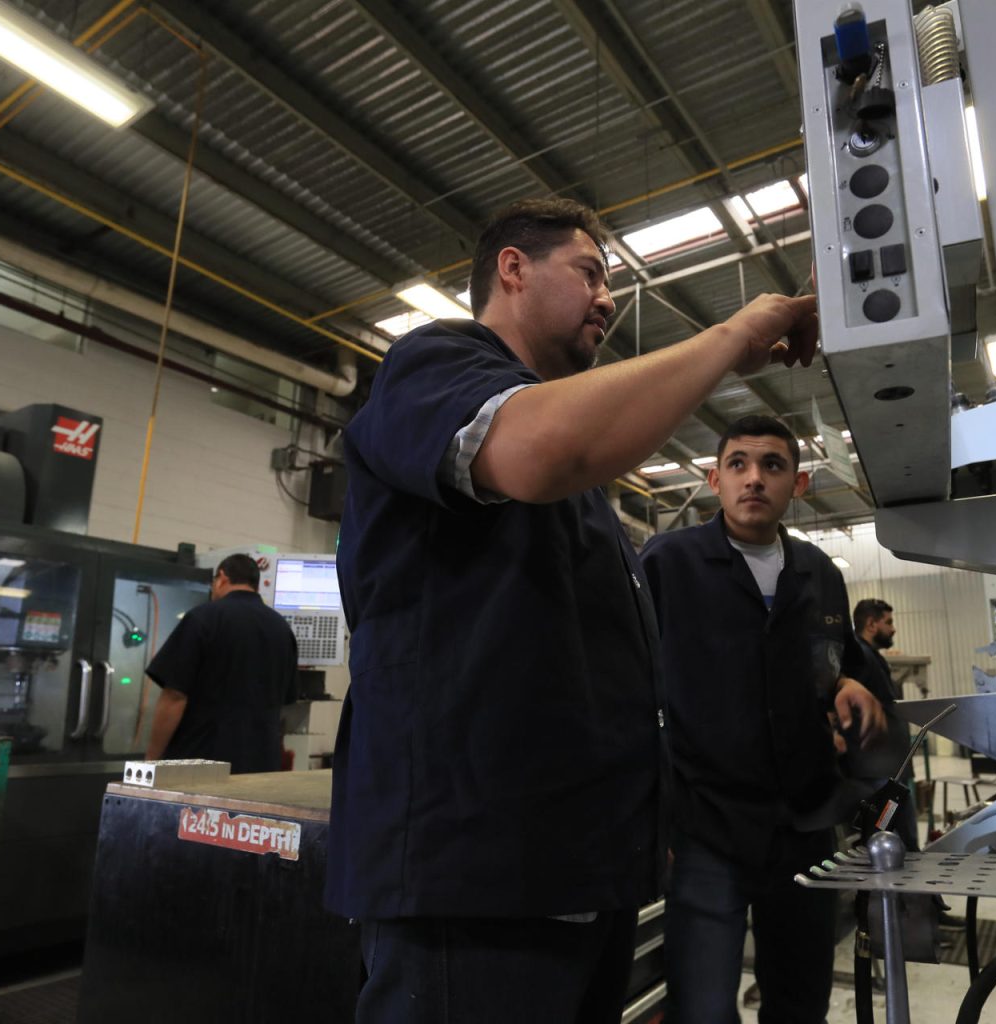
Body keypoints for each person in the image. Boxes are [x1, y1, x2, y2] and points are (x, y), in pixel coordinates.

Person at [328, 198, 818, 1023]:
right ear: (513, 269)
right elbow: (540, 447)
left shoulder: (582, 487)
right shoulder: (434, 364)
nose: (608, 297)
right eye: (590, 272)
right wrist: (732, 337)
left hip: (574, 876)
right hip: (477, 884)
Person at [640, 414, 887, 1024]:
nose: (755, 479)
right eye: (739, 465)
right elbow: (628, 691)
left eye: (772, 466)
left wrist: (850, 684)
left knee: (800, 1003)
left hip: (803, 827)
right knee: (701, 1005)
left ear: (798, 485)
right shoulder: (668, 563)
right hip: (705, 826)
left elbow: (834, 668)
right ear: (713, 479)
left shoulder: (819, 575)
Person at [144, 553, 297, 773]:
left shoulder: (202, 619)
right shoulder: (282, 629)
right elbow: (285, 703)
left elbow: (174, 697)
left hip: (203, 765)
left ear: (222, 578)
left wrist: (152, 760)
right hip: (261, 768)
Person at [846, 597, 919, 845]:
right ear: (871, 624)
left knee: (901, 839)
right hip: (876, 769)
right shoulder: (857, 656)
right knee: (884, 840)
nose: (893, 628)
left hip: (890, 768)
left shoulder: (872, 656)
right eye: (888, 622)